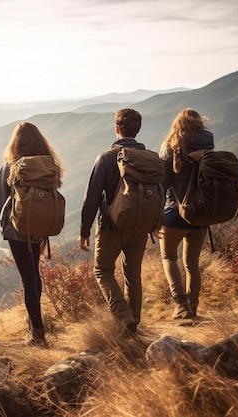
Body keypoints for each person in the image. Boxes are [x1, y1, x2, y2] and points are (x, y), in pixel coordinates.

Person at [0, 122, 64, 347]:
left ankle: (37, 331)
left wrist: (4, 223)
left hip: (17, 230)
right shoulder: (49, 165)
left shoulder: (9, 167)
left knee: (28, 278)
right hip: (41, 227)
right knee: (34, 274)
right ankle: (36, 323)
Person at [79, 108, 148, 336]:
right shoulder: (149, 158)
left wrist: (85, 229)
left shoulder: (107, 158)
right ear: (137, 130)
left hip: (111, 227)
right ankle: (133, 324)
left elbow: (92, 197)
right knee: (133, 275)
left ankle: (124, 316)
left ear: (117, 128)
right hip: (140, 226)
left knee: (103, 271)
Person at [158, 108, 214, 319]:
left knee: (169, 257)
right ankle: (193, 305)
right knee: (192, 265)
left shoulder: (170, 147)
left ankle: (181, 305)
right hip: (200, 216)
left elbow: (163, 185)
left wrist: (155, 217)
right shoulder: (209, 147)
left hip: (174, 214)